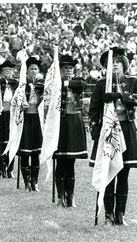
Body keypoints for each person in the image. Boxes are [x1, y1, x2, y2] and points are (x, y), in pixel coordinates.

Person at [88, 47, 137, 225]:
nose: (114, 66)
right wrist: (95, 128)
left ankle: (120, 214)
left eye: (117, 63)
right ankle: (108, 215)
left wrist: (121, 95)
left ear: (124, 65)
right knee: (106, 172)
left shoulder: (132, 81)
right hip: (107, 132)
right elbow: (93, 110)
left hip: (125, 130)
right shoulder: (100, 84)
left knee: (123, 173)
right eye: (110, 63)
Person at [54, 54, 88, 207]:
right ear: (60, 69)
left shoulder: (76, 82)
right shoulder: (55, 84)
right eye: (65, 68)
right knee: (61, 161)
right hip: (60, 123)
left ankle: (71, 196)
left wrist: (66, 82)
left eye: (70, 68)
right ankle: (61, 196)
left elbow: (81, 84)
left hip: (74, 122)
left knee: (71, 161)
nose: (68, 70)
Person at [19, 56, 44, 192]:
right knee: (25, 152)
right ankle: (26, 182)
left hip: (37, 119)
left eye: (36, 69)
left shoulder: (42, 85)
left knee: (36, 152)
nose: (34, 71)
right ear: (27, 71)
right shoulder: (22, 84)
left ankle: (35, 182)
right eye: (31, 69)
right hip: (26, 119)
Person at [0, 60, 18, 178]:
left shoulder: (14, 83)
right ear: (1, 72)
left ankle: (10, 168)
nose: (8, 73)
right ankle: (2, 168)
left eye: (10, 70)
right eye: (6, 70)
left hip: (12, 114)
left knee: (12, 141)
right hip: (2, 115)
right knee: (2, 142)